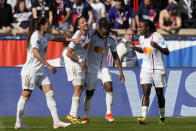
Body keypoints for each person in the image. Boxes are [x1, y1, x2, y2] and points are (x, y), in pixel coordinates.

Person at [14, 17, 81, 129]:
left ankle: (56, 122)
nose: (50, 26)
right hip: (30, 71)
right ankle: (18, 122)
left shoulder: (46, 36)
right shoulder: (35, 36)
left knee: (50, 93)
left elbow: (58, 38)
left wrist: (72, 40)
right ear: (42, 26)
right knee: (25, 95)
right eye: (48, 24)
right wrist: (48, 65)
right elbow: (35, 52)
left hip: (40, 71)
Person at [82, 18, 125, 123]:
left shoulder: (110, 40)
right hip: (90, 68)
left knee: (109, 86)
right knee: (89, 93)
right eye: (103, 32)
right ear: (98, 29)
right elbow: (87, 30)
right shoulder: (91, 35)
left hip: (103, 67)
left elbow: (115, 56)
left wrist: (120, 72)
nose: (105, 35)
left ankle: (108, 113)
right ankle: (86, 116)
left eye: (107, 32)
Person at [130, 19, 169, 124]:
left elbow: (167, 51)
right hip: (146, 69)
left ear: (147, 27)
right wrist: (134, 47)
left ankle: (162, 117)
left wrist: (157, 46)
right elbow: (143, 50)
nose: (139, 29)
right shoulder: (142, 38)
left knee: (159, 94)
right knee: (146, 92)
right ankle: (143, 117)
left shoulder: (157, 36)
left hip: (158, 69)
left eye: (141, 26)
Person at [65, 16, 90, 124]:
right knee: (78, 87)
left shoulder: (88, 33)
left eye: (85, 21)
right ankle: (72, 115)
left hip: (81, 62)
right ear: (78, 26)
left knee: (80, 89)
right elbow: (68, 53)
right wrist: (80, 60)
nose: (85, 23)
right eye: (82, 22)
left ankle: (73, 114)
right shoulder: (77, 35)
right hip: (74, 62)